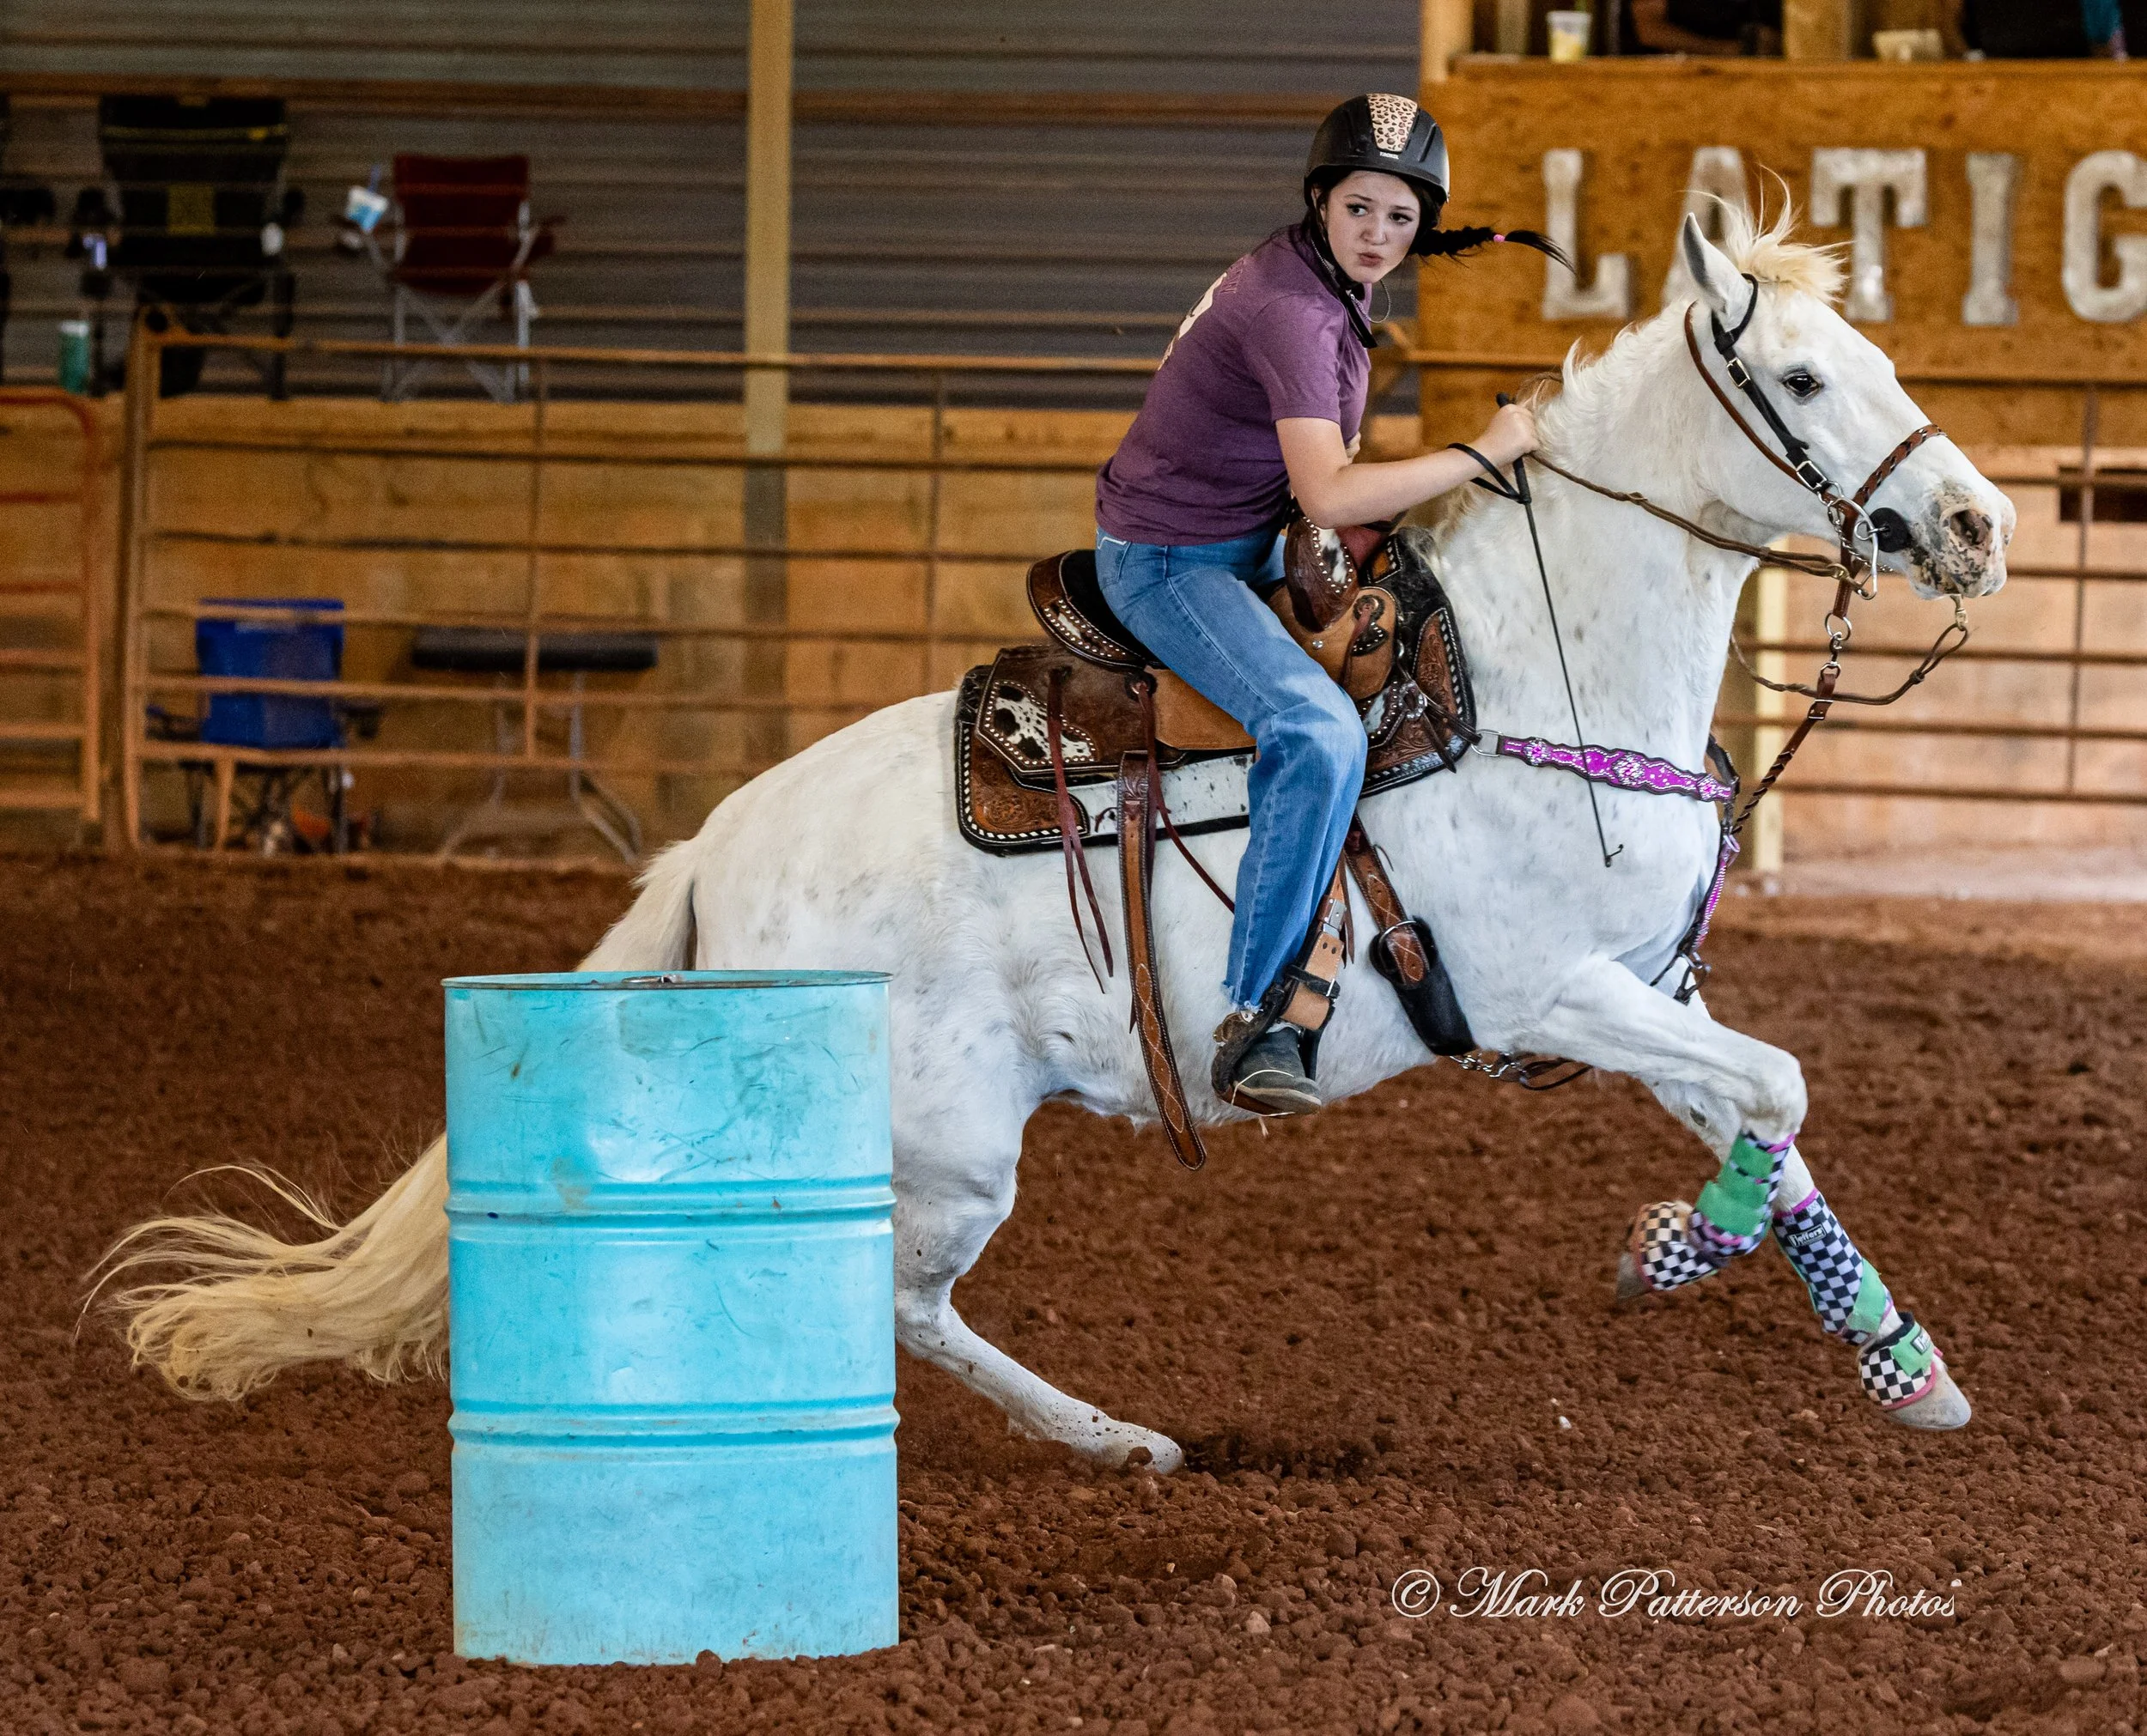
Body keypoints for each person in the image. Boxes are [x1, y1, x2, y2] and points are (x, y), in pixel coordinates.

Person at [1092, 93, 1562, 1118]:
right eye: (1359, 209)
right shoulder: (1294, 312)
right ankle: (1258, 1012)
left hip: (1238, 539)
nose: (1379, 236)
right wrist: (1484, 452)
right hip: (1171, 562)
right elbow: (1331, 494)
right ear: (1319, 199)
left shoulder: (1314, 280)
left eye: (1400, 218)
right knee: (1315, 729)